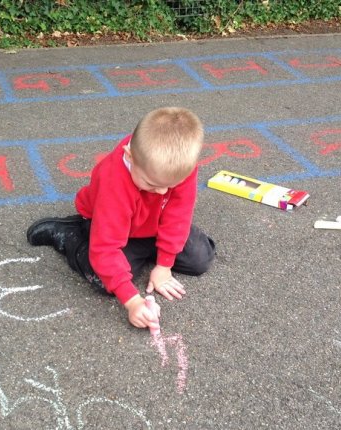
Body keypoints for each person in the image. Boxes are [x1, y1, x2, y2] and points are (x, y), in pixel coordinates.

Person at [27, 107, 216, 330]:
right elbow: (106, 248)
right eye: (152, 185)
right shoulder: (114, 182)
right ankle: (71, 235)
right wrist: (133, 301)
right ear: (129, 156)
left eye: (170, 186)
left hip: (150, 225)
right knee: (103, 279)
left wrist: (165, 264)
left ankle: (146, 255)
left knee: (200, 258)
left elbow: (178, 215)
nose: (162, 192)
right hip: (116, 228)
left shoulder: (176, 167)